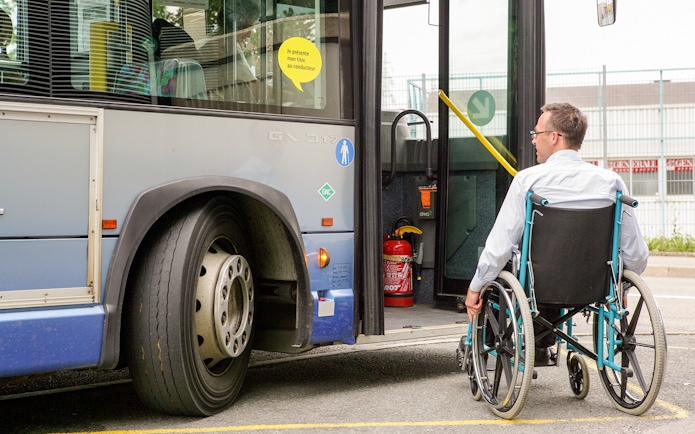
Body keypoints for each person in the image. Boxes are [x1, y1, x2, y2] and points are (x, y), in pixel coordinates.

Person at [464, 102, 649, 365]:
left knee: (505, 265)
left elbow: (499, 245)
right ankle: (542, 344)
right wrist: (623, 283)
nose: (533, 141)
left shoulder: (528, 181)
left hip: (541, 283)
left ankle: (501, 343)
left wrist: (476, 287)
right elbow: (636, 252)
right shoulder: (611, 183)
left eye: (536, 134)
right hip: (594, 283)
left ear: (554, 137)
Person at [197, 0, 260, 103]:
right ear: (235, 24)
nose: (249, 35)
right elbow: (253, 88)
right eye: (246, 27)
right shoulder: (227, 44)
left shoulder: (213, 39)